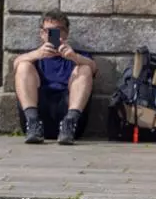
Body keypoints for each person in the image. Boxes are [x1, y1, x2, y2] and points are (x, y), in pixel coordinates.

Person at [14, 9, 97, 145]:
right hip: (38, 114)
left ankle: (70, 122)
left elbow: (93, 68)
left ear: (66, 33)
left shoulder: (77, 56)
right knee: (23, 66)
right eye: (49, 31)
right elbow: (16, 64)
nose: (53, 35)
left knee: (85, 68)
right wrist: (36, 54)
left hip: (69, 115)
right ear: (42, 34)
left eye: (58, 30)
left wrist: (74, 57)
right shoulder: (34, 56)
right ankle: (33, 121)